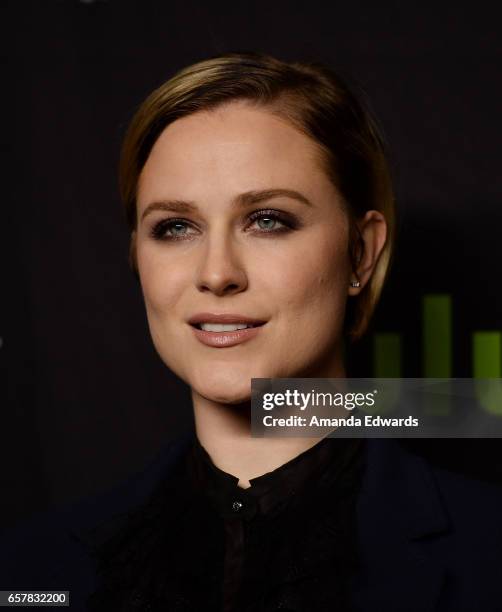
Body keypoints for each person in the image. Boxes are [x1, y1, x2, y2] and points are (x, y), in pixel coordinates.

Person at [2, 51, 502, 612]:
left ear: (361, 254)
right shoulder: (31, 571)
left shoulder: (491, 556)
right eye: (174, 227)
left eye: (268, 219)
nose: (216, 273)